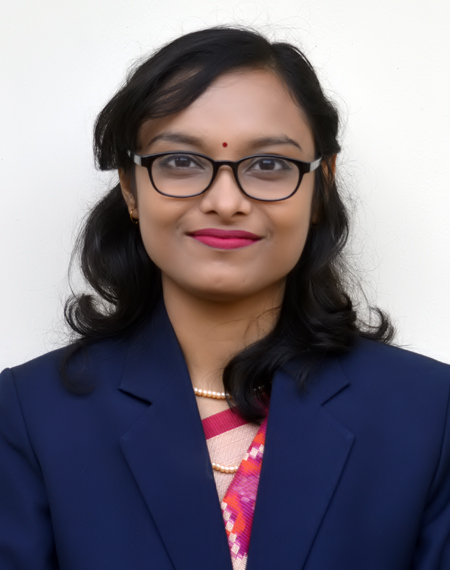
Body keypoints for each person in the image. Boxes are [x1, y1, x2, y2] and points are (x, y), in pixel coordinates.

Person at [0, 26, 449, 570]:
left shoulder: (430, 413)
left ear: (321, 186)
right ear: (130, 187)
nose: (226, 201)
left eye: (269, 165)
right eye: (181, 161)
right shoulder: (30, 414)